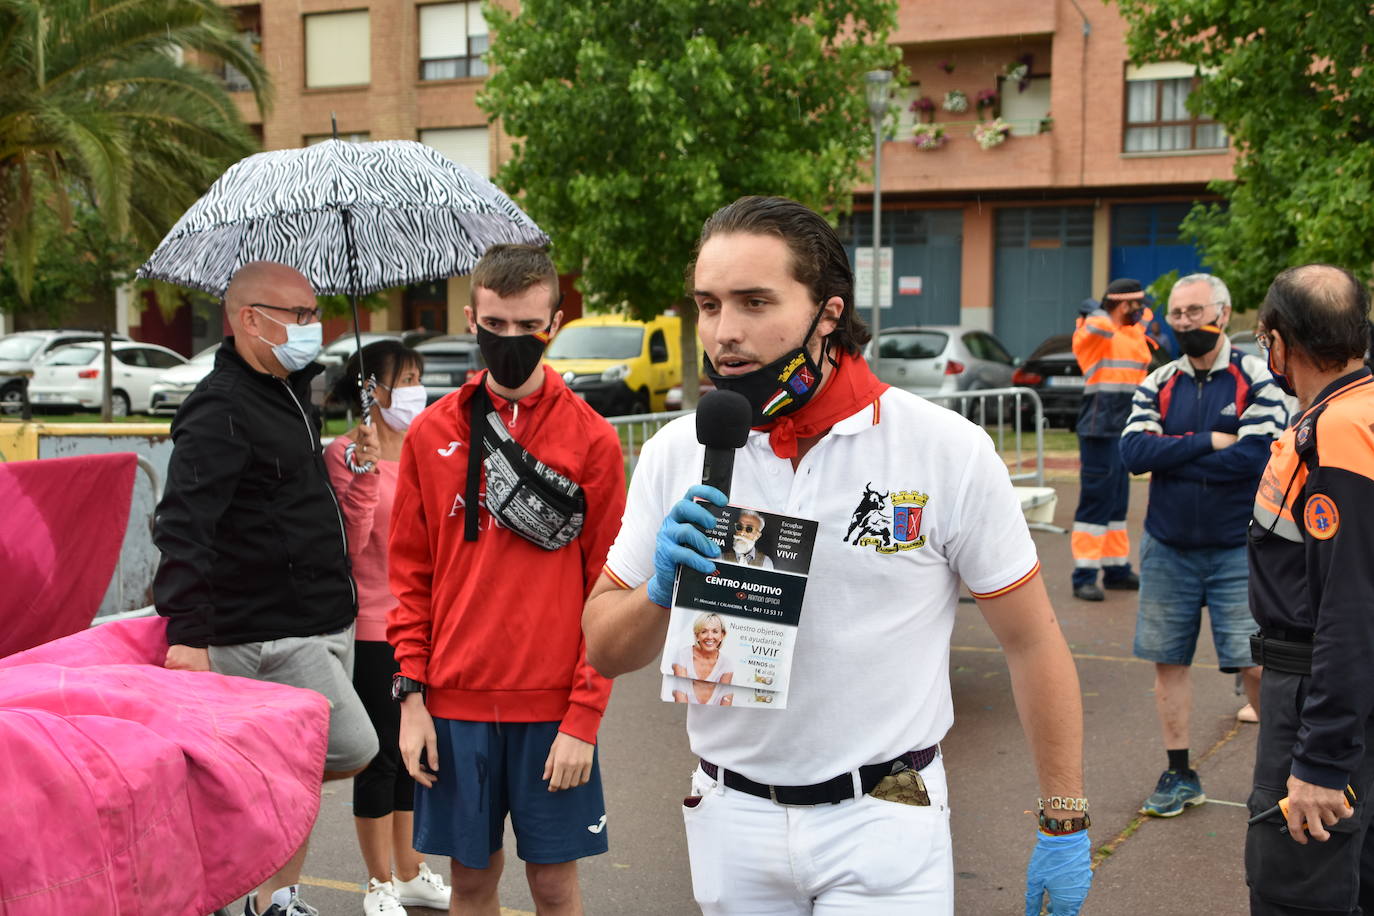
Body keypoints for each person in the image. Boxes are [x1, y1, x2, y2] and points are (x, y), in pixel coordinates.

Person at [583, 196, 1091, 915]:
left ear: (828, 312)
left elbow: (1034, 642)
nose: (725, 333)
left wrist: (1064, 818)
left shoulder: (944, 450)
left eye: (755, 302)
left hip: (887, 808)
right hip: (732, 815)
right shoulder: (679, 451)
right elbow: (603, 647)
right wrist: (661, 588)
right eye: (708, 304)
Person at [388, 244, 627, 916]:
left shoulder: (594, 441)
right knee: (470, 883)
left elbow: (607, 593)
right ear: (471, 318)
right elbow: (410, 576)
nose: (512, 341)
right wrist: (411, 701)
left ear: (555, 320)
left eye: (529, 326)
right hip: (455, 708)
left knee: (553, 887)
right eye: (496, 325)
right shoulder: (430, 435)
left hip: (552, 712)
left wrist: (584, 718)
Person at [153, 261, 380, 916]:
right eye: (300, 315)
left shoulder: (285, 389)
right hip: (266, 635)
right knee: (344, 751)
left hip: (318, 619)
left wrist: (355, 449)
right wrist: (189, 638)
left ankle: (275, 898)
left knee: (296, 770)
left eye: (316, 314)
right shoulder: (219, 409)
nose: (314, 328)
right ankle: (238, 887)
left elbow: (280, 496)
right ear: (249, 318)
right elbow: (182, 526)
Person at [1119, 273, 1288, 818]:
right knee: (1169, 661)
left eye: (1195, 312)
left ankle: (1277, 779)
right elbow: (1134, 453)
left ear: (1223, 312)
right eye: (1177, 314)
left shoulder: (1257, 377)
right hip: (1168, 547)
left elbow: (1257, 457)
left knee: (1259, 666)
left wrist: (1175, 454)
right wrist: (1208, 442)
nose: (1185, 322)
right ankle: (1179, 772)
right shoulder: (1159, 380)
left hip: (1239, 549)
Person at [1245, 265, 1374, 915]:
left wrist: (1321, 760)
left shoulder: (1338, 431)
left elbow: (1350, 607)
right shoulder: (1357, 410)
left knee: (1297, 883)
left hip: (1317, 688)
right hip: (1343, 688)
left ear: (1280, 342)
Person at [325, 341, 452, 916]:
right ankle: (376, 883)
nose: (416, 389)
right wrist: (366, 472)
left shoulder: (429, 446)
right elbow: (351, 546)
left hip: (425, 629)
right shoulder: (346, 453)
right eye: (405, 378)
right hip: (376, 625)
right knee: (378, 756)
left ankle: (408, 871)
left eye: (420, 377)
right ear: (370, 389)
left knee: (414, 755)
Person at [1070, 278, 1155, 601]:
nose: (1142, 310)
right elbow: (1099, 324)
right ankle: (1084, 575)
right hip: (1099, 428)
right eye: (1136, 304)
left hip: (1126, 428)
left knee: (1118, 501)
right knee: (1096, 501)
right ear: (1121, 305)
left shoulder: (1132, 334)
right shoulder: (1093, 334)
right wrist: (1096, 307)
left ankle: (1116, 569)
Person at [671, 613, 736, 705]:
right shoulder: (682, 656)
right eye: (704, 631)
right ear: (697, 635)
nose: (709, 637)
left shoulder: (726, 664)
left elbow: (726, 703)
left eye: (715, 631)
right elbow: (680, 696)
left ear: (722, 635)